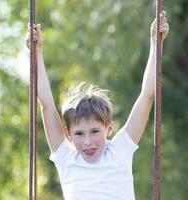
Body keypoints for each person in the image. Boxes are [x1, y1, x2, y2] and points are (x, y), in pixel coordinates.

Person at [26, 11, 169, 200]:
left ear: (109, 128)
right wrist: (36, 53)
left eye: (94, 131)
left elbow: (147, 96)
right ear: (68, 133)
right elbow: (46, 105)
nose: (87, 142)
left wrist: (155, 43)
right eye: (78, 133)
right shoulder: (66, 158)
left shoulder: (120, 150)